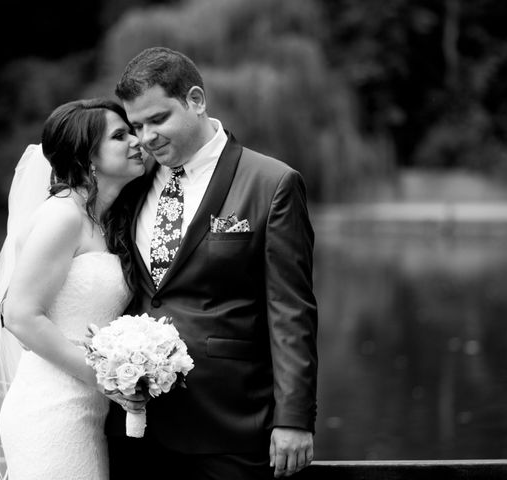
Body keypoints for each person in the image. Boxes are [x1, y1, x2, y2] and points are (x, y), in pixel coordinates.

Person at [107, 47, 318, 479]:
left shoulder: (271, 183)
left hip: (231, 425)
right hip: (137, 429)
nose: (145, 138)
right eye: (137, 126)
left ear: (196, 101)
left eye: (158, 119)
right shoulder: (129, 184)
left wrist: (294, 417)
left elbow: (290, 310)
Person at [0, 98, 149, 480]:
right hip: (50, 410)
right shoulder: (63, 216)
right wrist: (105, 378)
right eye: (121, 135)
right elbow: (20, 315)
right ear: (87, 158)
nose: (137, 140)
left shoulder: (102, 221)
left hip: (87, 410)